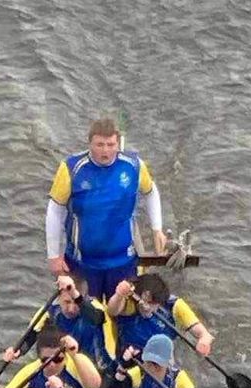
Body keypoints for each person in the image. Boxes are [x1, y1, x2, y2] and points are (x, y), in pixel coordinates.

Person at [46, 117, 167, 299]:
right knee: (86, 316)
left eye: (111, 145)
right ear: (90, 144)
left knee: (121, 313)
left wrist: (157, 228)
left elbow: (150, 192)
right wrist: (54, 256)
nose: (105, 151)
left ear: (118, 144)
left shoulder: (133, 165)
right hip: (83, 262)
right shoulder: (71, 168)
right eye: (99, 145)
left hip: (123, 261)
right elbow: (55, 211)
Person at [6, 272, 114, 372]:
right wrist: (17, 351)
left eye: (75, 302)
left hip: (98, 368)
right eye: (67, 302)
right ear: (59, 298)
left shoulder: (95, 309)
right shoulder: (49, 311)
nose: (71, 309)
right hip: (66, 366)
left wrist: (74, 293)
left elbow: (96, 318)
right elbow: (30, 336)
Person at [106, 270, 213, 361]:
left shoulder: (175, 306)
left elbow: (205, 334)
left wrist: (203, 342)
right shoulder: (131, 299)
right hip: (129, 353)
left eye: (151, 303)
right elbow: (112, 311)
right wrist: (119, 295)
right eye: (143, 301)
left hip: (160, 355)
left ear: (160, 302)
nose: (145, 306)